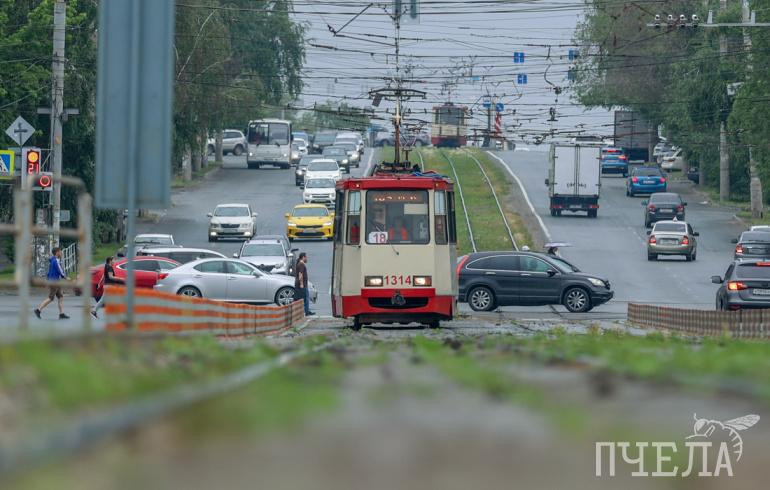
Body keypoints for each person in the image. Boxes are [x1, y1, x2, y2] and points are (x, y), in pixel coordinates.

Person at [34, 247, 69, 320]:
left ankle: (61, 314)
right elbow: (60, 270)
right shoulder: (55, 261)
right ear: (57, 253)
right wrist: (65, 277)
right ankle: (38, 310)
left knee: (61, 297)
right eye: (60, 252)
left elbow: (49, 272)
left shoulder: (53, 260)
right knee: (50, 298)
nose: (61, 253)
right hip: (54, 281)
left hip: (56, 281)